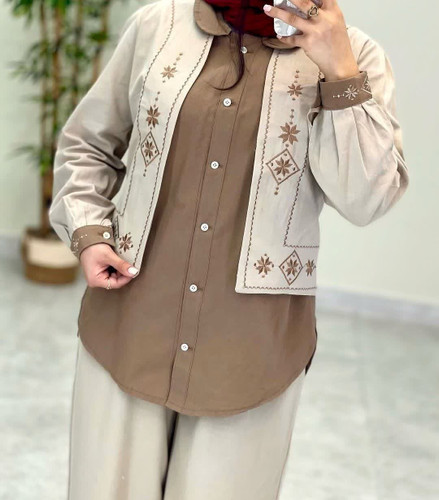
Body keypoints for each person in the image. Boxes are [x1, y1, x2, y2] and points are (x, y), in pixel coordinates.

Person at [49, 0, 409, 498]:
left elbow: (366, 199)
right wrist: (88, 231)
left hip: (250, 354)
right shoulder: (157, 26)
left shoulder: (358, 57)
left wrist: (340, 72)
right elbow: (87, 144)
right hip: (129, 326)